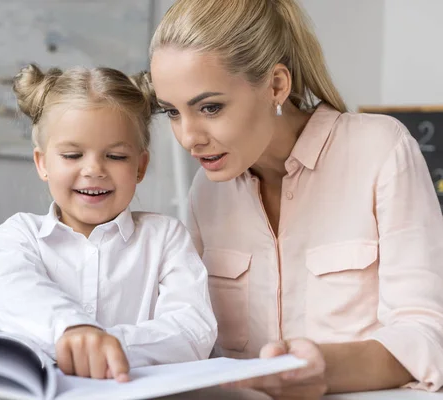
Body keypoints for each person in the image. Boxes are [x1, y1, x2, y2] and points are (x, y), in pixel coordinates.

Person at [147, 0, 443, 398]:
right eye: (172, 112)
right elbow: (194, 334)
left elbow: (428, 334)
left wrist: (323, 370)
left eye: (210, 107)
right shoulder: (207, 189)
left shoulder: (380, 149)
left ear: (276, 86)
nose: (188, 137)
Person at [0, 64, 217, 382]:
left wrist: (110, 344)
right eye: (71, 155)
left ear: (140, 166)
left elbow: (193, 331)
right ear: (43, 163)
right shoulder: (20, 234)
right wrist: (74, 330)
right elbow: (15, 295)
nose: (93, 170)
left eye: (116, 156)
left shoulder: (166, 238)